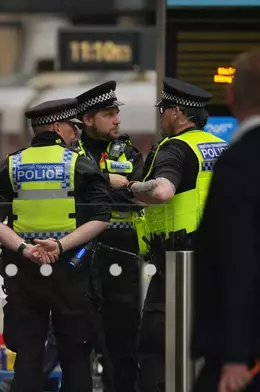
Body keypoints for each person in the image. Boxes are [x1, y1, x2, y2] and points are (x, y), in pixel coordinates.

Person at [0, 97, 112, 392]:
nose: (76, 133)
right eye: (72, 127)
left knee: (28, 356)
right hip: (71, 269)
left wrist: (24, 249)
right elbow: (102, 217)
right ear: (57, 126)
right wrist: (60, 245)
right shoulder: (79, 165)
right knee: (76, 357)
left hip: (24, 270)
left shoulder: (10, 165)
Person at [124, 77, 228, 392]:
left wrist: (129, 187)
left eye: (164, 110)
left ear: (178, 113)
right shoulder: (220, 146)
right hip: (219, 260)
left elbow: (162, 190)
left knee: (156, 344)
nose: (161, 116)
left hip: (177, 263)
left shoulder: (175, 148)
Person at [192, 49, 260, 392]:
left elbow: (237, 259)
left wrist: (235, 354)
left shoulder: (240, 162)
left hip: (245, 351)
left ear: (231, 95)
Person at [75, 81, 144, 392]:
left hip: (122, 254)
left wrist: (99, 187)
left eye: (117, 113)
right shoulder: (69, 154)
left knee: (123, 342)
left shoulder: (130, 153)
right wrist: (107, 181)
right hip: (78, 253)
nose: (117, 119)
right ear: (88, 119)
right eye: (108, 113)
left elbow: (140, 195)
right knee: (75, 340)